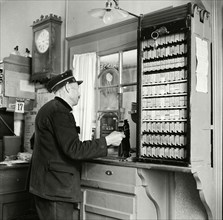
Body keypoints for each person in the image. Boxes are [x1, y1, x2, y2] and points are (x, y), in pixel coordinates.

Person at [29, 69, 125, 220]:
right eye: (77, 88)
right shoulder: (60, 112)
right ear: (68, 88)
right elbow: (74, 150)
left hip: (44, 187)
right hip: (56, 190)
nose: (80, 94)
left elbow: (33, 142)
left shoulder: (47, 109)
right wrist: (108, 141)